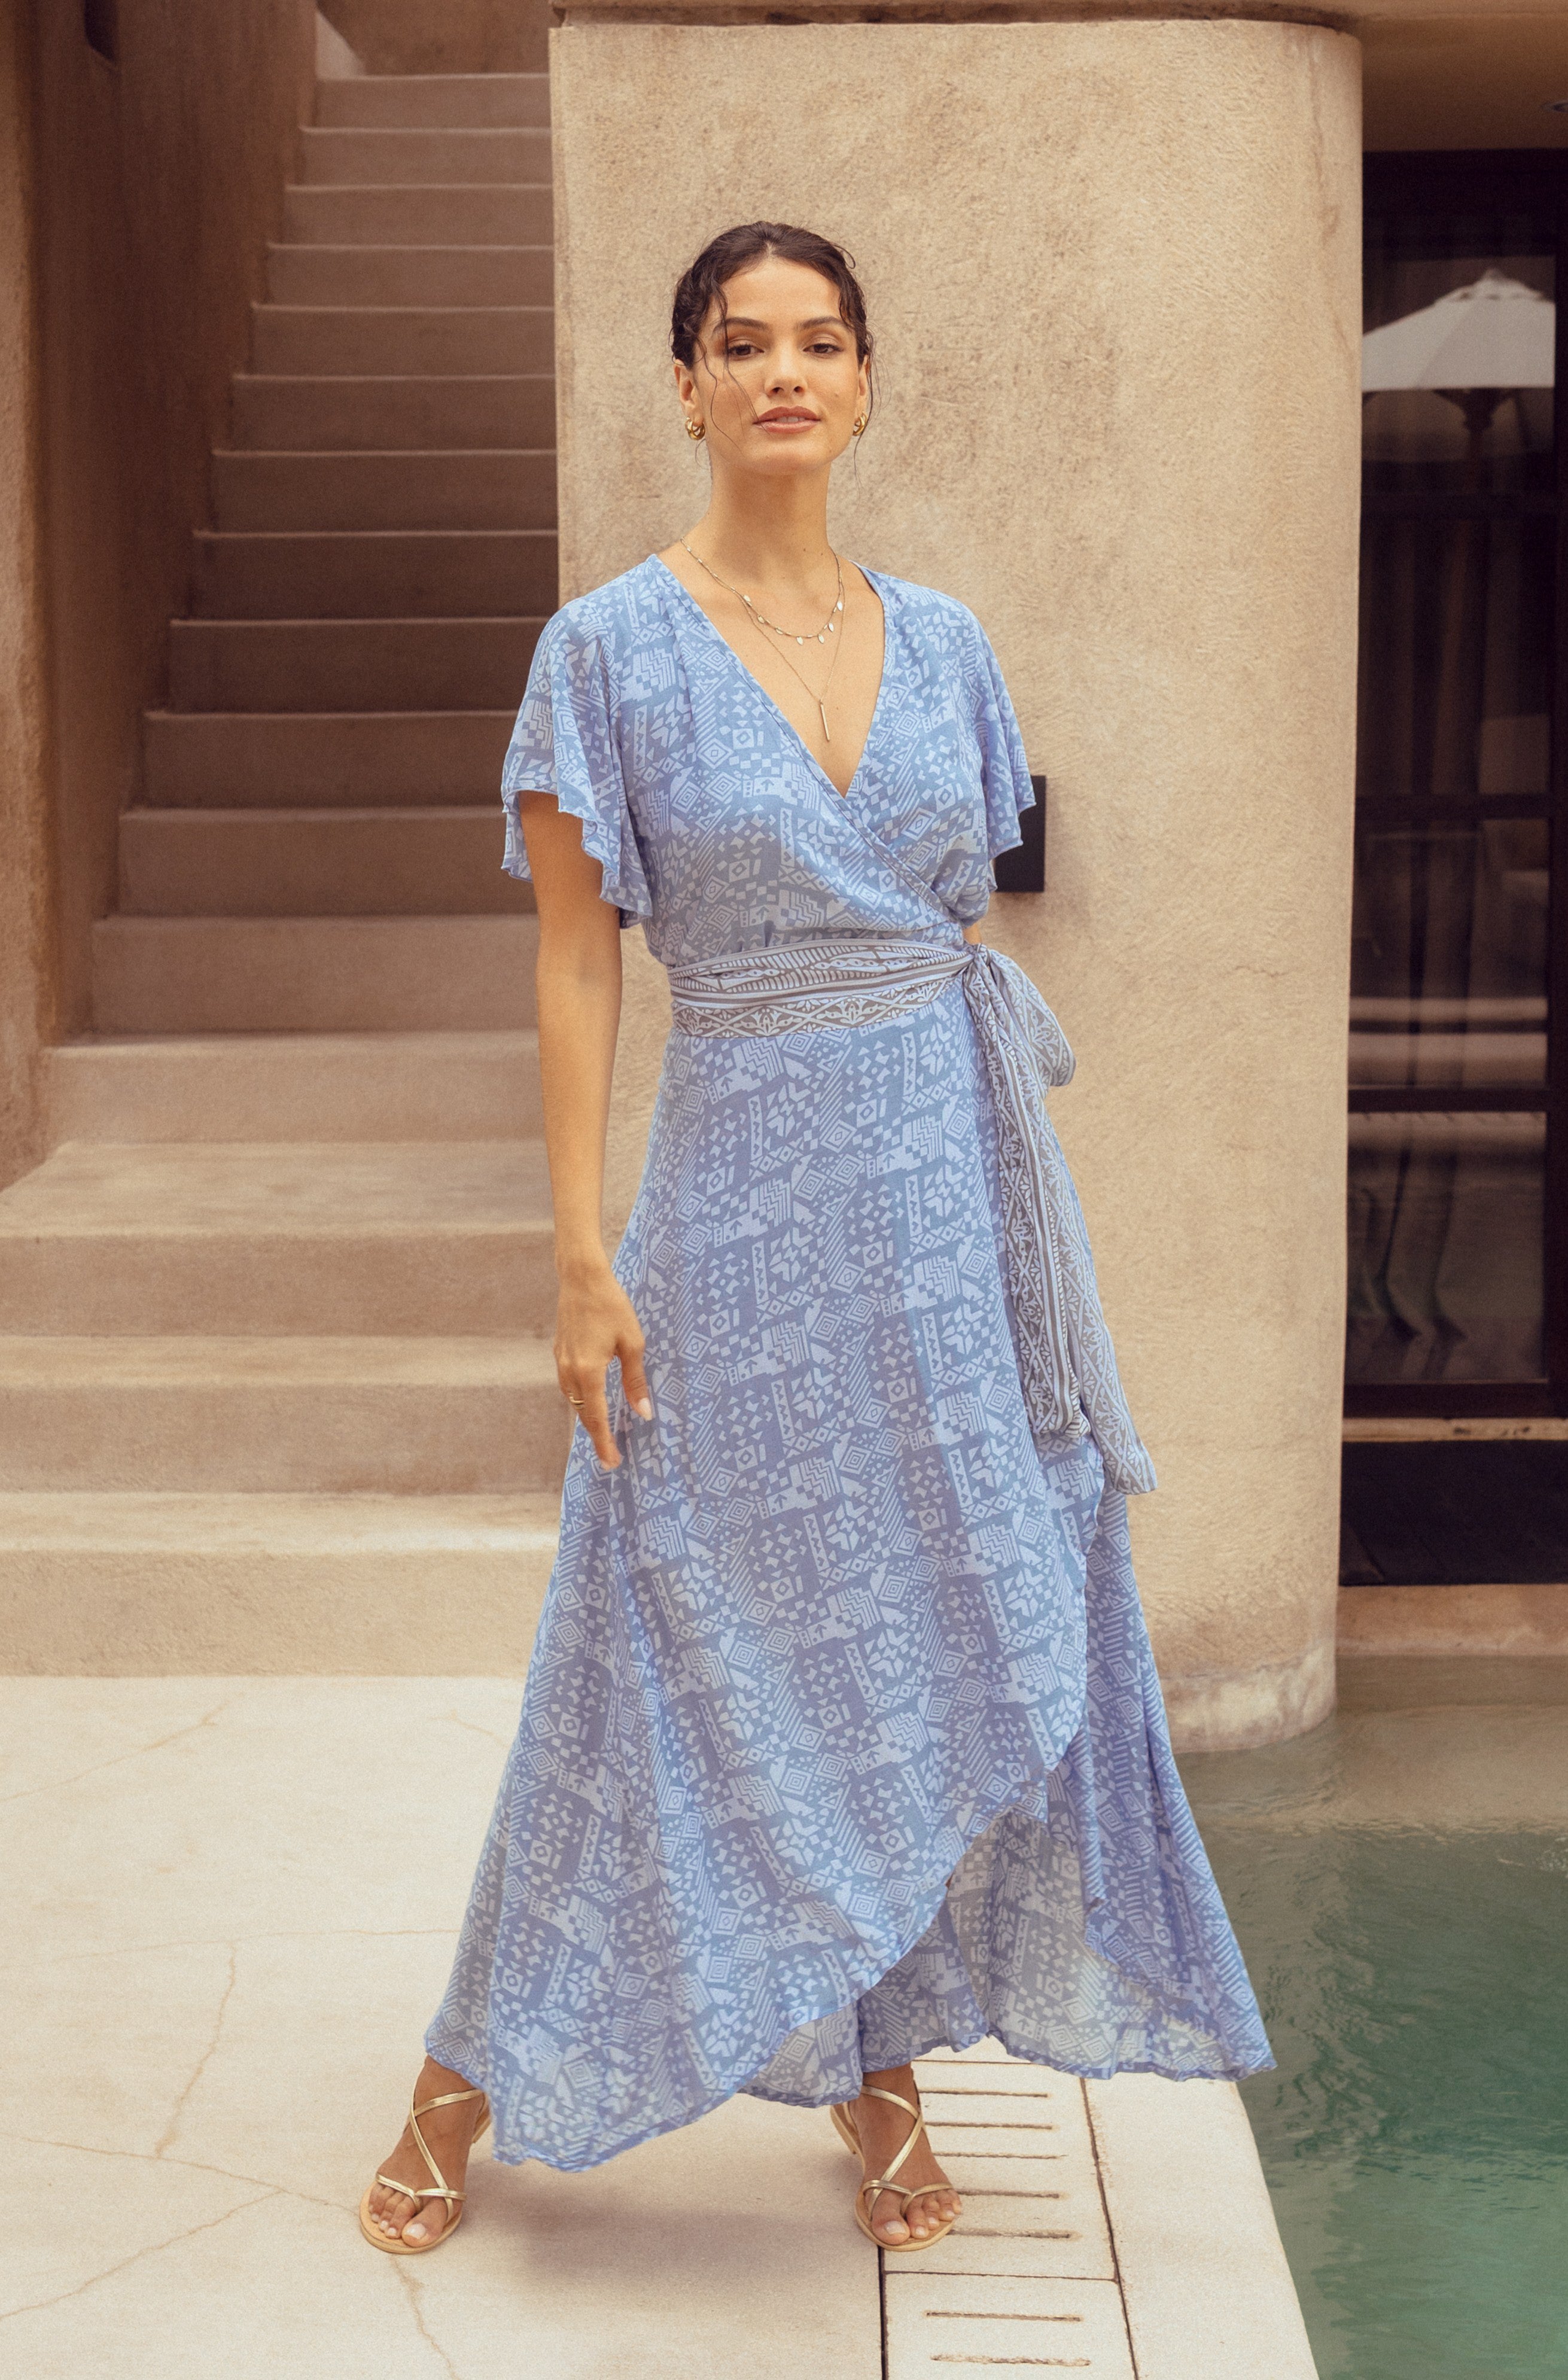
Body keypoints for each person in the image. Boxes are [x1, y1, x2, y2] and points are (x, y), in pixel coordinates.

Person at [360, 220, 1271, 2261]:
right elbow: (580, 973)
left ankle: (881, 2078)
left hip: (948, 1211)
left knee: (939, 1622)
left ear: (867, 388)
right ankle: (458, 2073)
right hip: (741, 1205)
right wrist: (582, 1253)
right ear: (682, 385)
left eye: (823, 342)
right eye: (742, 342)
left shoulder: (946, 638)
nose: (785, 371)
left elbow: (967, 919)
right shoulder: (601, 650)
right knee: (657, 1630)